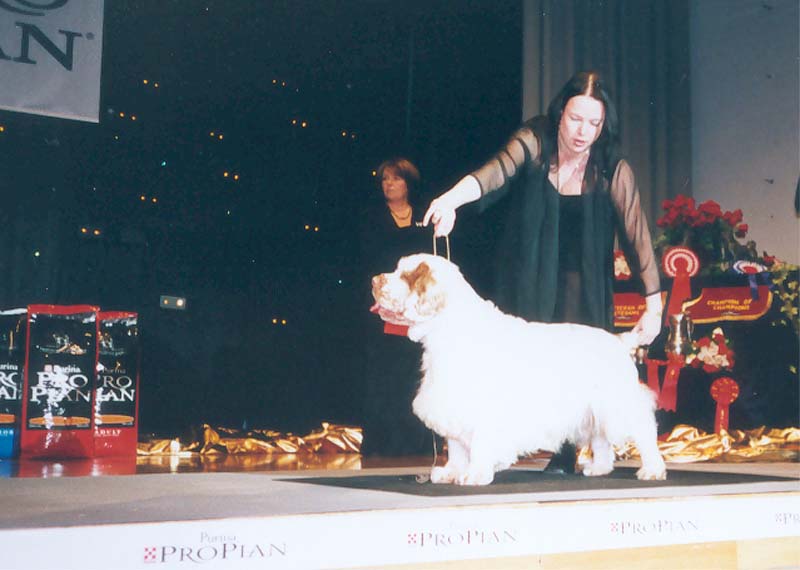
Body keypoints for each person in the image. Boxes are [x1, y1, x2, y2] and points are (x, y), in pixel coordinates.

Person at [422, 71, 663, 472]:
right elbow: (493, 172)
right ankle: (499, 449)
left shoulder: (612, 166)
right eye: (575, 119)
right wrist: (450, 201)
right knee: (520, 368)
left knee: (591, 370)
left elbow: (637, 233)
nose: (583, 132)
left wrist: (654, 306)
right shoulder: (534, 141)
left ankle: (579, 453)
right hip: (529, 269)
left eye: (594, 123)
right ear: (560, 112)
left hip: (583, 279)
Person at [359, 157, 432, 457]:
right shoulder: (372, 218)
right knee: (384, 375)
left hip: (416, 308)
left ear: (408, 183)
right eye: (384, 179)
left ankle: (416, 445)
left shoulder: (425, 216)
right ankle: (382, 446)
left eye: (395, 178)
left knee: (414, 372)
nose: (388, 184)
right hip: (385, 307)